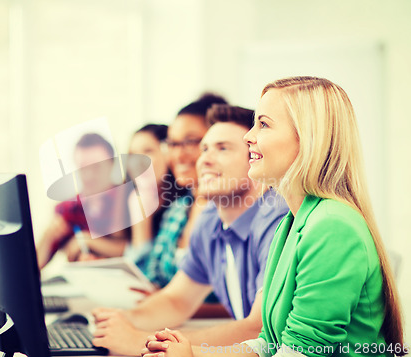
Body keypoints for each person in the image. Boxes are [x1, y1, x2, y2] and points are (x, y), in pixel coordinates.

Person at [143, 76, 406, 357]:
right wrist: (192, 353)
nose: (248, 137)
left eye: (264, 124)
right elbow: (269, 343)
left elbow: (299, 352)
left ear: (307, 138)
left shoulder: (332, 226)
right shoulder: (291, 223)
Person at [92, 104, 289, 356]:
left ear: (255, 157)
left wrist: (140, 341)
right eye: (205, 148)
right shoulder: (209, 220)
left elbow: (260, 330)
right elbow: (177, 300)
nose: (203, 159)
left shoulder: (277, 218)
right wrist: (122, 320)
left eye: (223, 148)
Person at [142, 93, 228, 288]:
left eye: (190, 142)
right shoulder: (177, 209)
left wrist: (162, 302)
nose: (178, 155)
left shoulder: (233, 212)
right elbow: (152, 276)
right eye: (172, 144)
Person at [36, 133, 129, 269]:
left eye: (96, 167)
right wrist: (48, 236)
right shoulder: (67, 210)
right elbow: (34, 267)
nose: (89, 175)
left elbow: (134, 249)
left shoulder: (128, 199)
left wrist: (88, 241)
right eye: (83, 168)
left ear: (111, 165)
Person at [124, 124, 186, 271]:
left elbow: (145, 271)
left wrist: (142, 222)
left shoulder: (184, 206)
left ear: (168, 153)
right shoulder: (133, 197)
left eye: (148, 151)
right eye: (133, 154)